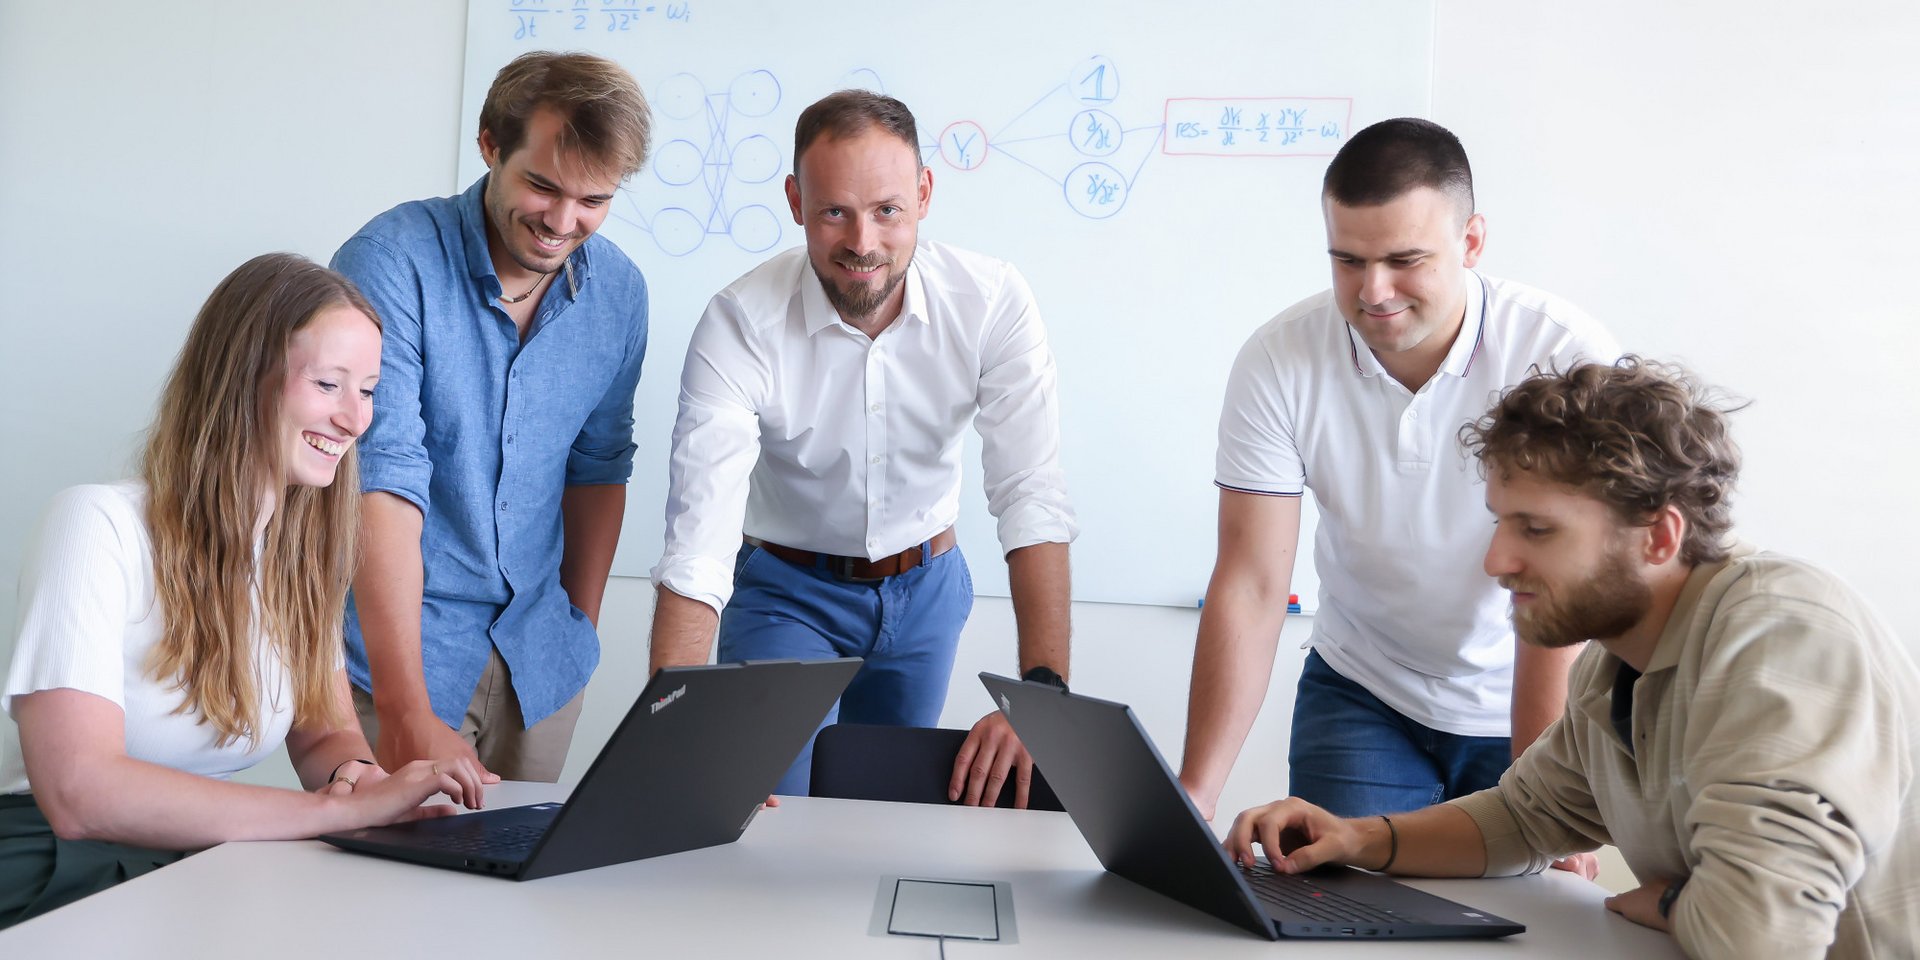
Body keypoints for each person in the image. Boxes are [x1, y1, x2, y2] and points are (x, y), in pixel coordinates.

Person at [1226, 358, 1920, 958]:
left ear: (1658, 537)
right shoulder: (1616, 661)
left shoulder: (1784, 637)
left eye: (1536, 529)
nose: (1497, 561)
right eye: (1500, 522)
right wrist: (1356, 838)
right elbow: (1524, 817)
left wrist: (1670, 901)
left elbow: (1760, 937)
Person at [0, 254, 489, 930]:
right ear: (241, 377)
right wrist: (333, 813)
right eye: (329, 384)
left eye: (369, 390)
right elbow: (79, 794)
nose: (355, 419)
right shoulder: (95, 525)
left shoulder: (299, 560)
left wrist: (365, 781)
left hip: (203, 863)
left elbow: (326, 733)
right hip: (59, 866)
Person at [1178, 118, 1617, 856]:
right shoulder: (1279, 360)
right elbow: (1252, 582)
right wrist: (1196, 789)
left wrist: (1549, 800)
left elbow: (1562, 589)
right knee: (1335, 896)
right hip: (1364, 687)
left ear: (1471, 241)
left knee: (1522, 901)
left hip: (1528, 683)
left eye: (1404, 260)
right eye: (1347, 261)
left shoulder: (1562, 354)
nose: (1373, 291)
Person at [648, 90, 1076, 805]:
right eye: (834, 213)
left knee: (889, 818)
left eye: (887, 211)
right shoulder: (740, 322)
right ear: (795, 201)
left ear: (924, 194)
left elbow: (1030, 491)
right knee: (759, 811)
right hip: (787, 594)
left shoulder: (992, 300)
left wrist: (1043, 694)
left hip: (927, 589)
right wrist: (671, 727)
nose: (863, 243)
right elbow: (698, 538)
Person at [332, 51, 652, 782]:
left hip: (541, 662)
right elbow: (381, 477)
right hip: (401, 659)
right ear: (489, 145)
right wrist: (407, 710)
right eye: (542, 186)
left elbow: (600, 466)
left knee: (527, 858)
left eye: (593, 199)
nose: (562, 222)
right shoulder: (390, 261)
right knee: (390, 859)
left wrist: (579, 629)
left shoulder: (621, 293)